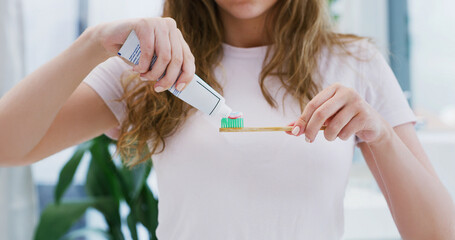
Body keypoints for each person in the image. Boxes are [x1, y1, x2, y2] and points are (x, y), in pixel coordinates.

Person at [0, 0, 454, 239]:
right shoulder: (151, 69)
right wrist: (94, 42)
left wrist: (383, 136)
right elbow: (8, 146)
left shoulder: (356, 62)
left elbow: (437, 234)